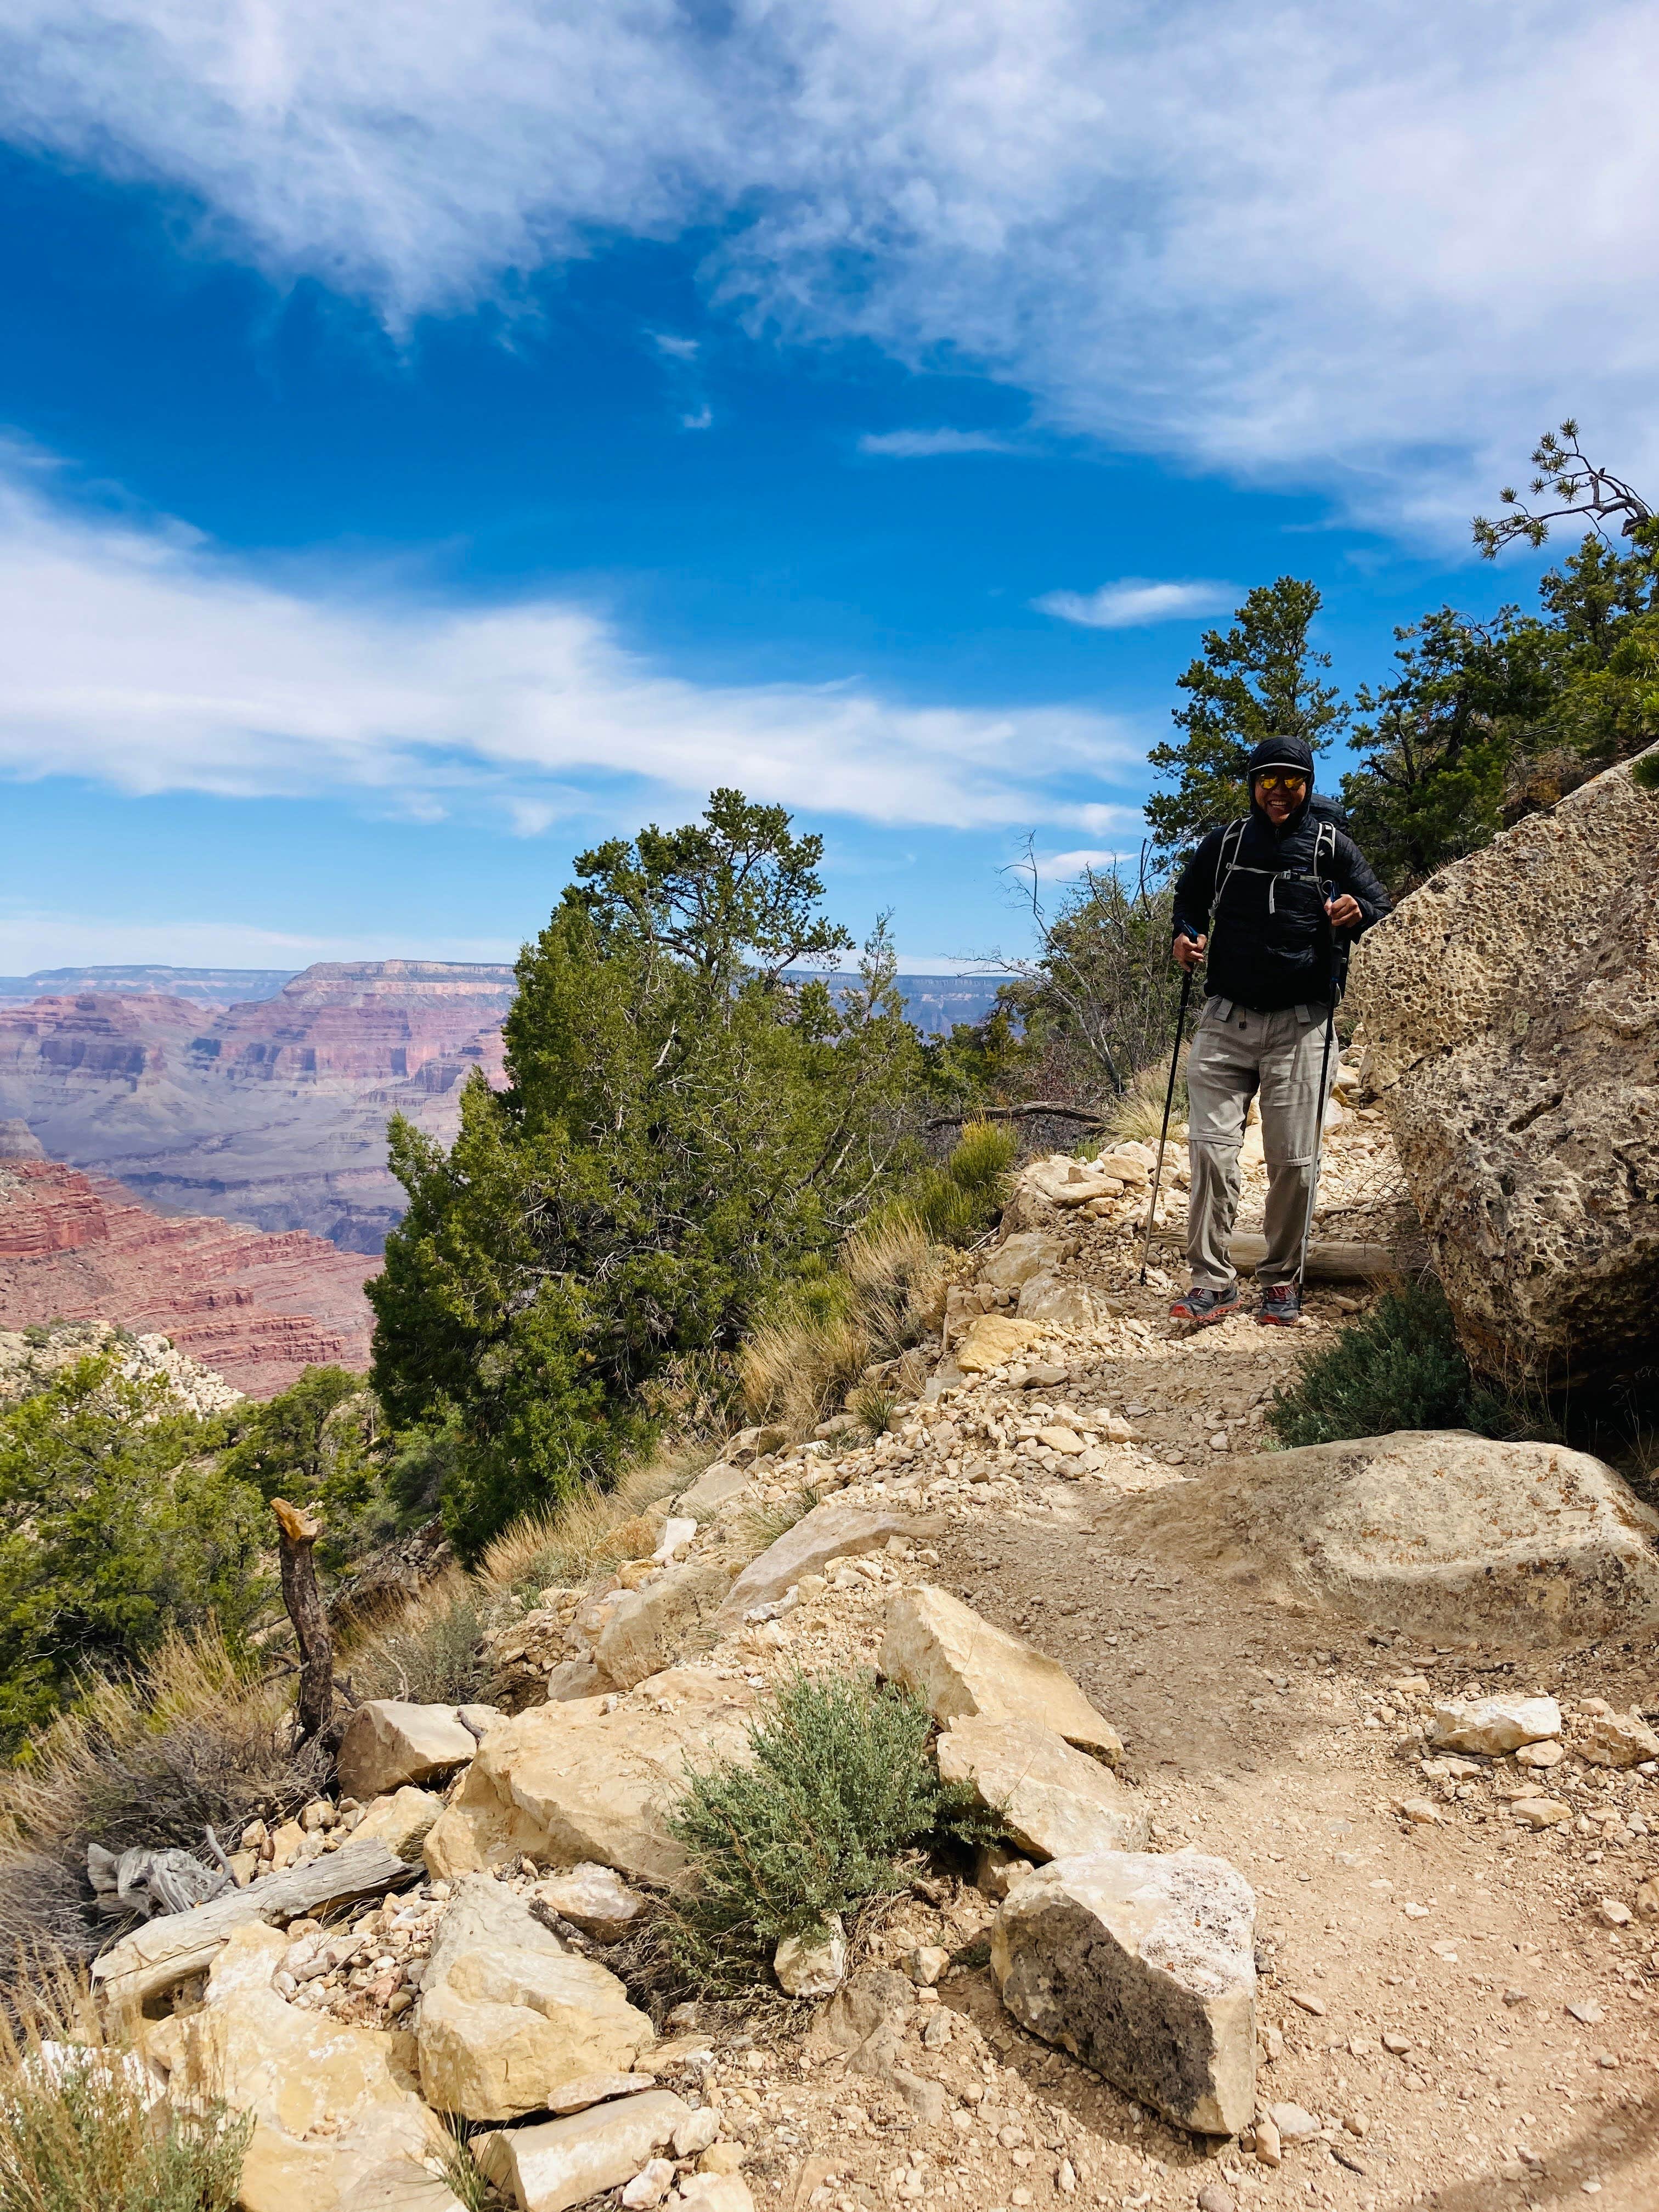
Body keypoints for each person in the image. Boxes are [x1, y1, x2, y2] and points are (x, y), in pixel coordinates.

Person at [1166, 735, 1390, 1327]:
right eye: (1269, 781)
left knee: (1294, 1163)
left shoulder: (1331, 847)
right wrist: (1185, 935)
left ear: (1309, 786)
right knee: (1211, 1154)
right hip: (1225, 1020)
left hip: (1302, 1024)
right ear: (1252, 785)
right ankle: (1212, 1282)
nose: (1280, 793)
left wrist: (1358, 913)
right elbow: (1188, 899)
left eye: (1293, 782)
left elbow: (1383, 908)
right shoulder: (1226, 845)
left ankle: (1281, 1281)